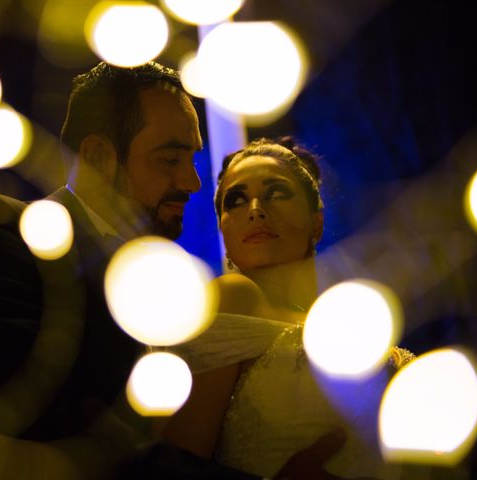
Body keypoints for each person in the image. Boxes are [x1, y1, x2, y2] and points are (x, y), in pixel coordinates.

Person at [0, 64, 343, 480]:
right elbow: (53, 429)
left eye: (192, 158)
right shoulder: (7, 238)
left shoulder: (165, 296)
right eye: (170, 159)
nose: (193, 182)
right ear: (99, 158)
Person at [163, 137, 415, 479]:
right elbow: (177, 463)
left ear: (316, 220)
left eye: (277, 193)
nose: (255, 209)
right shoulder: (232, 297)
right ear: (223, 227)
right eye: (235, 200)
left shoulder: (352, 320)